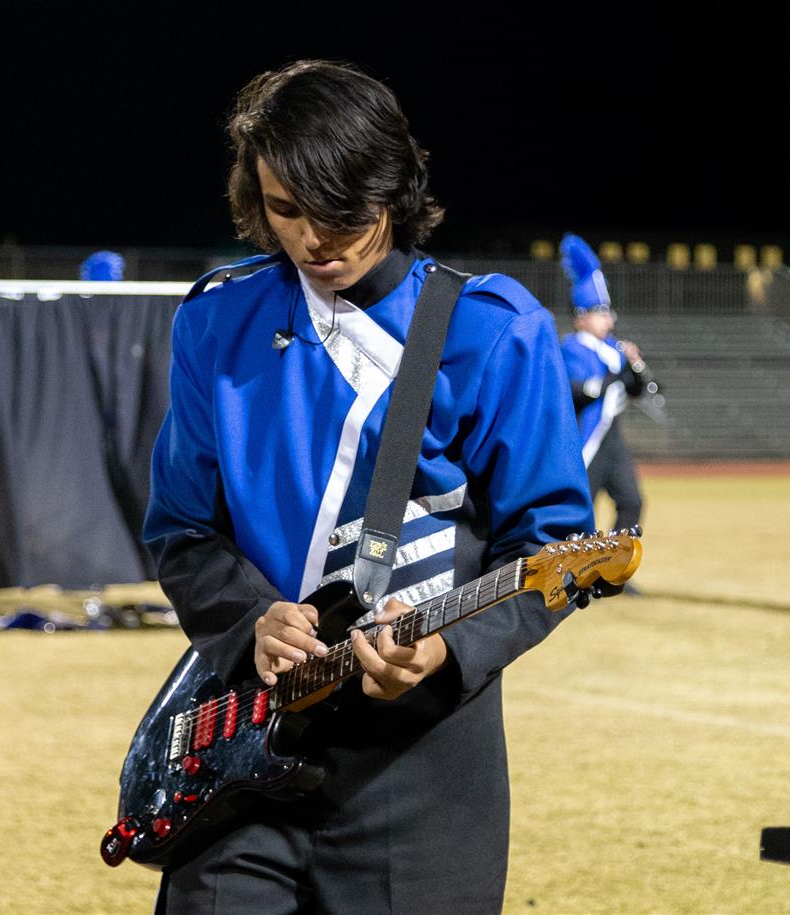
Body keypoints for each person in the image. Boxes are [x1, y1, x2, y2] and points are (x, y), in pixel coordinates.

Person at [142, 60, 594, 914]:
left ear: (393, 186)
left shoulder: (492, 332)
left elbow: (555, 543)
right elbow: (180, 527)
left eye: (342, 211)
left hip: (418, 765)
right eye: (285, 210)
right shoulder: (215, 320)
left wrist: (450, 648)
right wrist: (251, 621)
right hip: (241, 742)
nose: (316, 237)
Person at [558, 233, 648, 533]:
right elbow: (581, 391)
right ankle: (576, 576)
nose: (608, 320)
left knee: (632, 502)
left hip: (613, 439)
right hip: (587, 436)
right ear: (581, 316)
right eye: (600, 312)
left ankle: (614, 574)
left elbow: (637, 390)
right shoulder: (572, 347)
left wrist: (636, 370)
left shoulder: (614, 349)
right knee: (581, 513)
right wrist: (615, 376)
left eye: (608, 312)